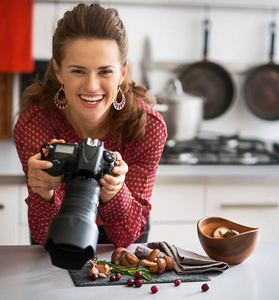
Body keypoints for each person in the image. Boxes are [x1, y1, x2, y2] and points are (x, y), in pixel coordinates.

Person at [13, 3, 167, 248]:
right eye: (78, 71)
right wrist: (44, 193)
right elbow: (44, 236)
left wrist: (115, 193)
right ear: (59, 71)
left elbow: (127, 237)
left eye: (105, 71)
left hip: (121, 235)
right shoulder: (35, 124)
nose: (92, 86)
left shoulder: (147, 126)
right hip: (59, 228)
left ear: (122, 73)